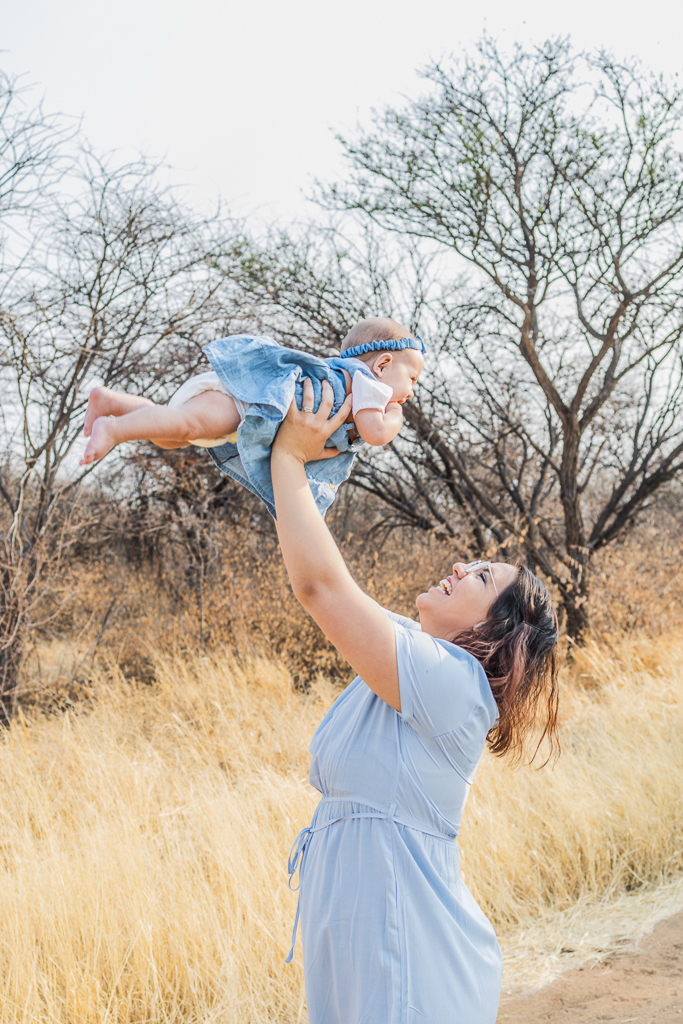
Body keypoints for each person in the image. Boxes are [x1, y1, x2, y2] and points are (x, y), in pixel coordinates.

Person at [271, 378, 560, 1024]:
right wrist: (305, 456)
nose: (459, 566)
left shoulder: (452, 686)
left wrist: (288, 460)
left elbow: (319, 587)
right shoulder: (412, 657)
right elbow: (323, 570)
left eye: (480, 577)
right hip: (361, 946)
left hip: (407, 959)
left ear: (495, 631)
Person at [80, 316, 424, 517]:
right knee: (185, 425)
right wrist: (394, 415)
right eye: (411, 380)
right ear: (382, 365)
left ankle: (111, 401)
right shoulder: (368, 386)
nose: (410, 392)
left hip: (242, 411)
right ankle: (113, 428)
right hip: (247, 401)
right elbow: (375, 432)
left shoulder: (351, 378)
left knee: (171, 433)